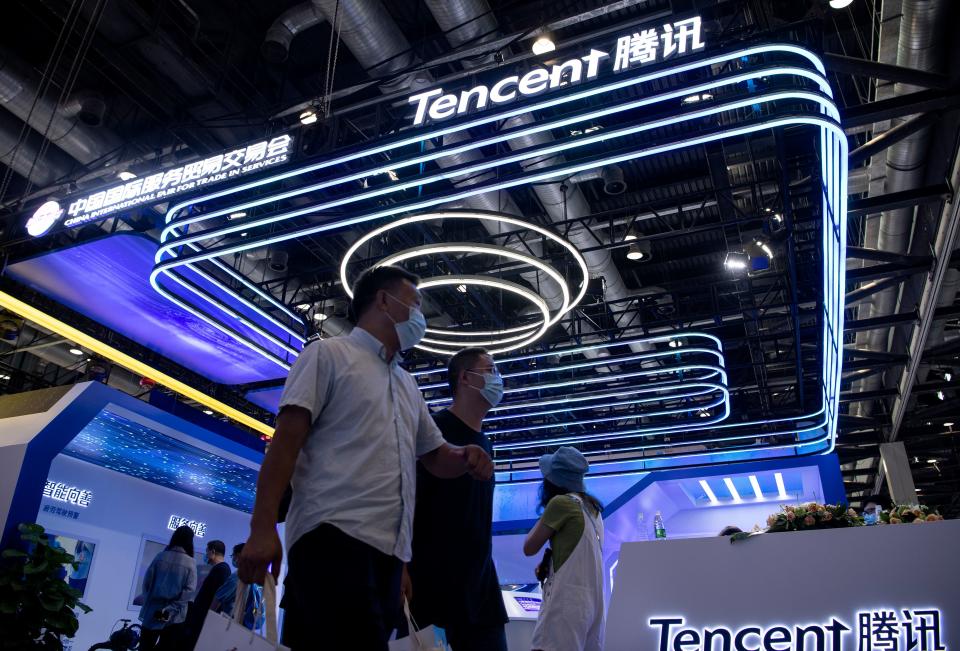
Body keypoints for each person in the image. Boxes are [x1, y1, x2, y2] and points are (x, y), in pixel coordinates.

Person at [238, 265, 494, 650]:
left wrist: (464, 456)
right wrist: (262, 528)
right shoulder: (327, 355)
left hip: (388, 556)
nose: (421, 317)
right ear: (384, 301)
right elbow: (286, 443)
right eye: (416, 304)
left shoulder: (407, 386)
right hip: (332, 539)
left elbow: (435, 455)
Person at [406, 347, 509, 651]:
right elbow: (408, 502)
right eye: (490, 370)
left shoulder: (485, 443)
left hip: (481, 591)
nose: (498, 379)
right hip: (433, 589)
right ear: (466, 378)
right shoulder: (434, 433)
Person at [523, 446, 605, 651]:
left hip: (565, 604)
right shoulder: (593, 509)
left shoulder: (560, 504)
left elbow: (529, 546)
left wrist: (547, 511)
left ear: (552, 480)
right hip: (592, 605)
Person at [139, 525, 197, 651]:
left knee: (145, 647)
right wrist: (171, 608)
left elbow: (147, 583)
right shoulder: (190, 562)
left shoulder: (160, 557)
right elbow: (189, 591)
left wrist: (149, 601)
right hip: (175, 617)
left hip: (152, 611)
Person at [184, 539, 231, 647]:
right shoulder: (220, 569)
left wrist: (208, 616)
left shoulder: (222, 570)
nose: (206, 555)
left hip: (203, 617)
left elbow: (217, 597)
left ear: (213, 552)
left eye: (207, 551)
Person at [212, 543, 264, 632]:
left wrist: (208, 617)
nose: (233, 558)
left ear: (239, 556)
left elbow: (218, 599)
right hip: (244, 626)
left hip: (229, 622)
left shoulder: (238, 576)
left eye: (233, 555)